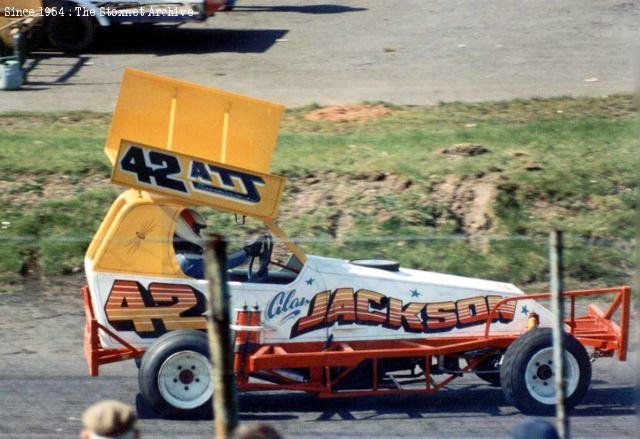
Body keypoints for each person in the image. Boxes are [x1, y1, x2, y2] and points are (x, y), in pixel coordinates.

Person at [173, 209, 267, 280]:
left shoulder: (181, 255)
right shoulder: (187, 259)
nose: (202, 234)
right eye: (198, 229)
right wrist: (248, 251)